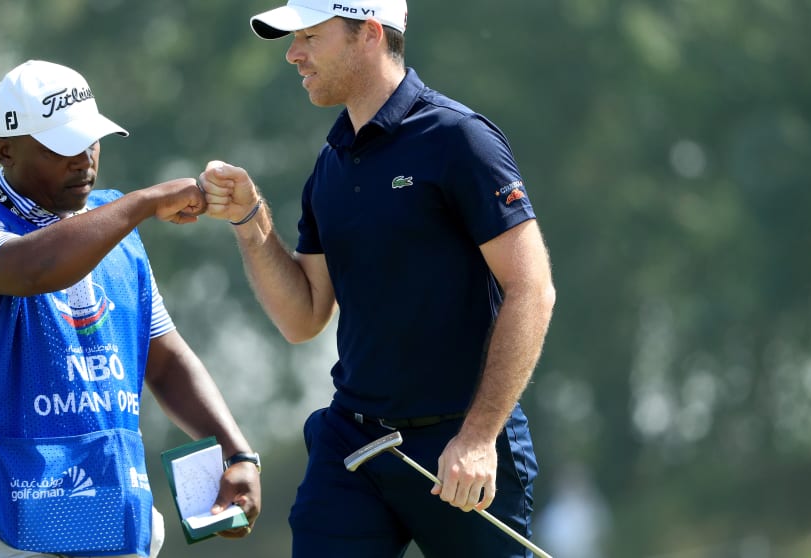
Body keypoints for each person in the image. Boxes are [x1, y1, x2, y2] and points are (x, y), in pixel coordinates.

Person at [198, 1, 555, 556]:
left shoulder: (459, 139)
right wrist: (249, 220)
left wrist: (480, 436)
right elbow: (303, 317)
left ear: (368, 33)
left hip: (461, 444)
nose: (293, 55)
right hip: (355, 442)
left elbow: (531, 288)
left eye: (310, 37)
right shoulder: (331, 164)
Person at [0, 59, 261, 558]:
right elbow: (34, 269)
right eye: (61, 146)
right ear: (5, 150)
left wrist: (237, 452)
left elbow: (164, 360)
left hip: (106, 501)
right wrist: (144, 202)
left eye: (91, 141)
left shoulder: (115, 230)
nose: (83, 159)